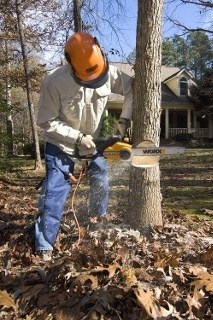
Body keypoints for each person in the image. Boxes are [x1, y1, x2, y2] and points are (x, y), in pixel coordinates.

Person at [34, 32, 133, 261]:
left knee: (101, 181)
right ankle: (44, 244)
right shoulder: (54, 82)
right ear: (71, 65)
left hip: (92, 142)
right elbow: (45, 122)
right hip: (62, 143)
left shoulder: (110, 73)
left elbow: (133, 89)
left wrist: (124, 121)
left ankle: (96, 224)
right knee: (55, 192)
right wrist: (77, 137)